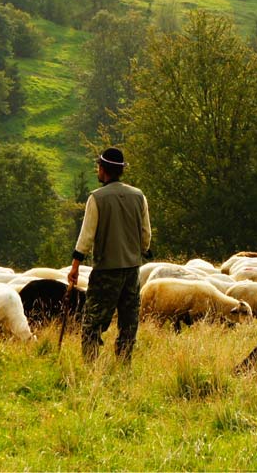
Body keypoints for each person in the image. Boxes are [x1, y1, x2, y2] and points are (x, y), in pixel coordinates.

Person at [69, 147, 152, 362]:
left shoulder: (96, 198)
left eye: (98, 166)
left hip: (106, 271)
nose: (97, 170)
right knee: (128, 321)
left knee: (93, 322)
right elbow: (146, 234)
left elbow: (86, 236)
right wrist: (141, 251)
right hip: (133, 270)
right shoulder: (138, 196)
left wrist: (75, 265)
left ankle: (91, 366)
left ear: (104, 170)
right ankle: (123, 363)